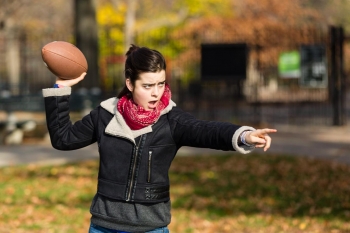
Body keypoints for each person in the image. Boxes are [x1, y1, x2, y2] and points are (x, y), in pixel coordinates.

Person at [42, 44, 277, 233]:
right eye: (147, 86)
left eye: (161, 84)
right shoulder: (104, 114)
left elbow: (207, 130)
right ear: (129, 84)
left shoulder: (170, 120)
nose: (156, 93)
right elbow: (63, 139)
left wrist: (244, 135)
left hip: (151, 227)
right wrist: (60, 88)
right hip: (104, 226)